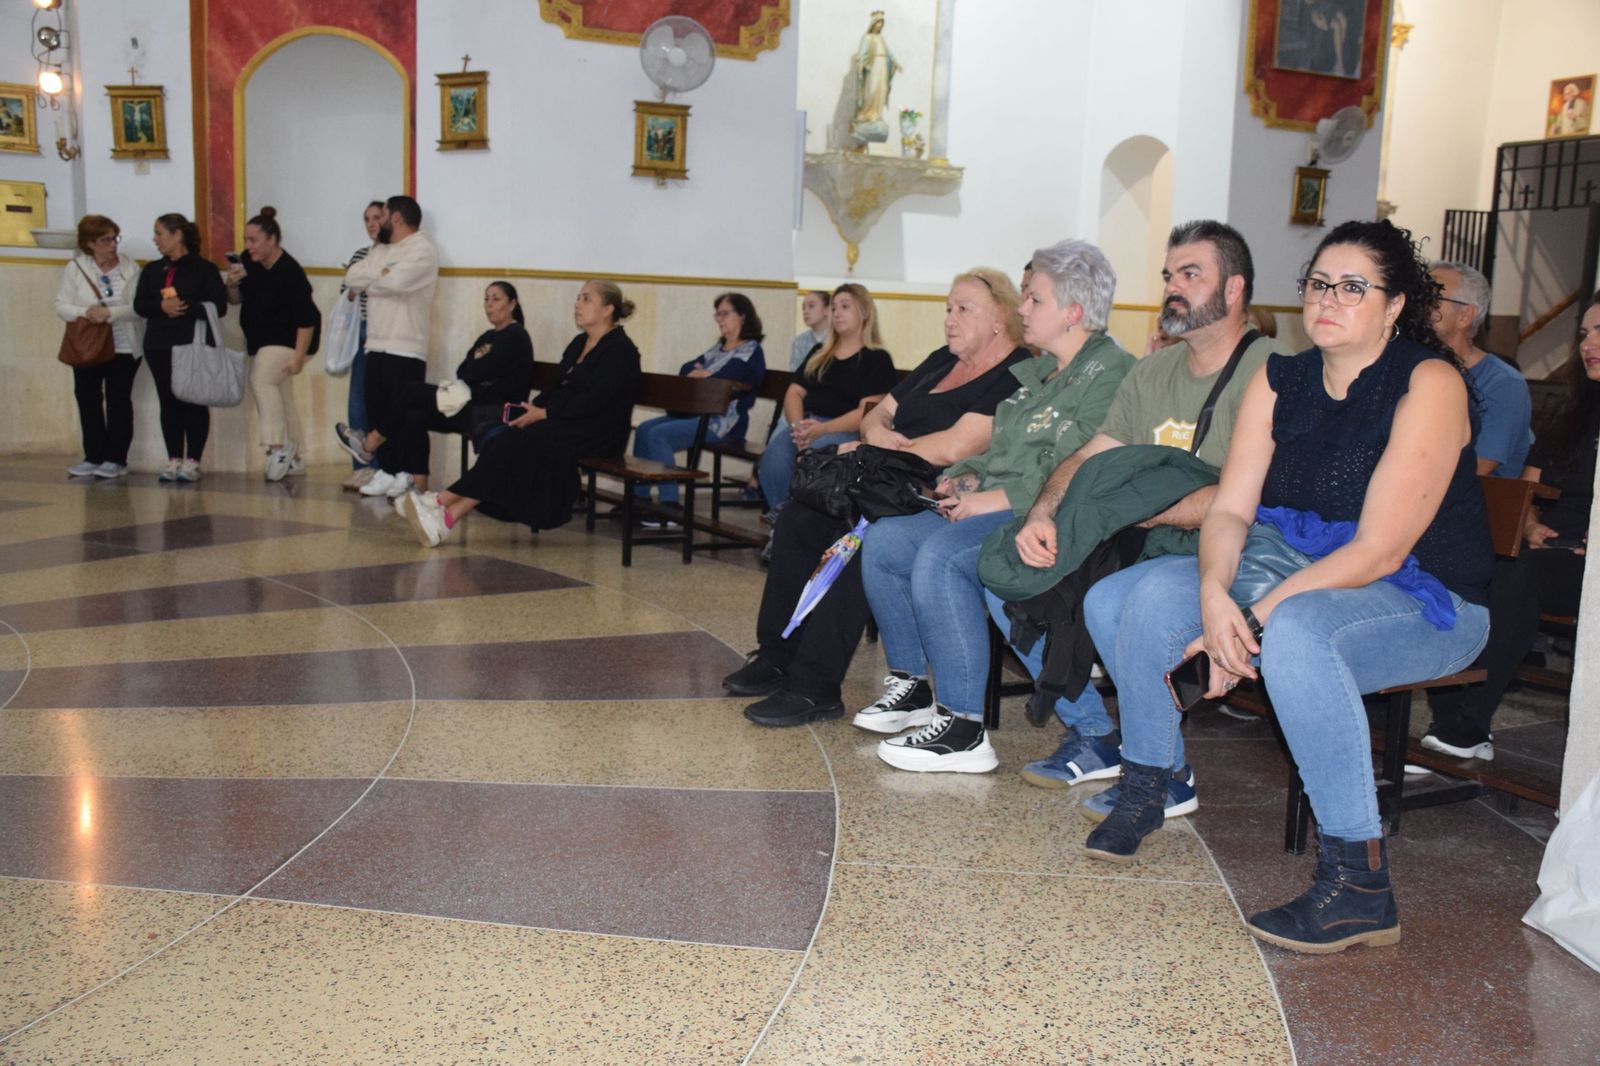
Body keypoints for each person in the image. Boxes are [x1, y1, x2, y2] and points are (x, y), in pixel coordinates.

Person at [1082, 219, 1493, 956]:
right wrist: (1215, 594)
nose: (1328, 299)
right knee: (1126, 598)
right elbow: (1233, 508)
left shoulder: (1429, 383)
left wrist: (1254, 618)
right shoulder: (1283, 378)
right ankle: (1151, 782)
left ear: (1395, 304)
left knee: (1300, 635)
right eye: (1318, 284)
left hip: (1423, 597)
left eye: (1352, 287)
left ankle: (1360, 886)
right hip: (1295, 570)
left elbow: (1380, 547)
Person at [989, 221, 1286, 800]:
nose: (1173, 287)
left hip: (1239, 547)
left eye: (1191, 274)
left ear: (1233, 290)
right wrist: (1044, 513)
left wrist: (1141, 511)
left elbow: (1257, 497)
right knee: (1010, 573)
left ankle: (1164, 771)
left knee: (1113, 599)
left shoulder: (1273, 370)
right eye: (1169, 275)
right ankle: (1103, 736)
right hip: (1145, 537)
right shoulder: (1152, 371)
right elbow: (1092, 454)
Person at [856, 240, 1134, 773]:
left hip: (1056, 517)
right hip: (1004, 504)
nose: (1021, 309)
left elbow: (1080, 462)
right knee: (889, 541)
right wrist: (964, 478)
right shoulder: (1041, 374)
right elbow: (1002, 450)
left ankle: (965, 728)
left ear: (1072, 312)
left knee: (948, 559)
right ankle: (913, 687)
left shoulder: (1110, 373)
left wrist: (993, 498)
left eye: (1033, 299)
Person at [726, 268, 1031, 728]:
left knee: (860, 538)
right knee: (798, 518)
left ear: (999, 318)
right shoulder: (941, 360)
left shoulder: (1013, 373)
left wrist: (882, 451)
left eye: (963, 309)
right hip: (881, 476)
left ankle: (815, 685)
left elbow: (956, 446)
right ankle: (776, 654)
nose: (950, 319)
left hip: (931, 491)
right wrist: (877, 440)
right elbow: (877, 414)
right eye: (948, 308)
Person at [1422, 291, 1599, 761]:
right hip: (1547, 546)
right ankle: (1448, 718)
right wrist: (1531, 525)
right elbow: (1531, 487)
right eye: (1584, 334)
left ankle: (1472, 722)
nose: (1588, 344)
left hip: (1587, 562)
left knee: (1514, 578)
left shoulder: (1506, 384)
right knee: (1459, 568)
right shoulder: (1574, 414)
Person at [400, 281, 640, 547]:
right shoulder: (580, 342)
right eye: (578, 298)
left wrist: (546, 413)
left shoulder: (621, 351)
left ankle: (439, 501)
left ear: (607, 309)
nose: (577, 304)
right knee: (509, 437)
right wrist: (534, 408)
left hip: (600, 432)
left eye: (586, 299)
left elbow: (596, 400)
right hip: (566, 423)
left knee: (522, 440)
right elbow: (557, 387)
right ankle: (446, 519)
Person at [365, 281, 533, 494]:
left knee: (411, 390)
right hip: (470, 403)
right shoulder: (488, 337)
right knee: (413, 414)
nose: (489, 304)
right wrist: (478, 371)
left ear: (512, 304)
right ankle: (419, 486)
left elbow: (482, 370)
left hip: (493, 411)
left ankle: (373, 440)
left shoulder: (516, 335)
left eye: (496, 299)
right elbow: (463, 370)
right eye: (486, 299)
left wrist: (478, 371)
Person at [757, 284, 897, 512]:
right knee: (773, 460)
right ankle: (780, 520)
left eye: (845, 307)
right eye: (833, 308)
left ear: (864, 312)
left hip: (844, 431)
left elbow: (867, 411)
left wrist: (821, 429)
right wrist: (799, 426)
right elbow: (794, 392)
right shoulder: (820, 354)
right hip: (806, 426)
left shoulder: (876, 359)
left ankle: (796, 524)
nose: (837, 313)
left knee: (816, 459)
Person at [336, 194, 440, 499]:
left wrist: (377, 277)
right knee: (378, 409)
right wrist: (378, 275)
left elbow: (397, 284)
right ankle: (389, 471)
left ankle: (408, 474)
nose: (377, 222)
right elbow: (353, 276)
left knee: (405, 414)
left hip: (406, 345)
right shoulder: (380, 248)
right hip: (376, 343)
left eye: (381, 215)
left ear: (396, 217)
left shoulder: (422, 249)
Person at [631, 292, 766, 516]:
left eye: (725, 313)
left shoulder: (750, 350)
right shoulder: (718, 348)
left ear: (742, 316)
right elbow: (686, 369)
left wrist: (705, 373)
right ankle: (639, 498)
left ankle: (670, 506)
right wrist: (702, 373)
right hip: (697, 415)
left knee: (659, 435)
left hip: (723, 423)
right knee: (645, 429)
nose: (719, 319)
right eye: (717, 314)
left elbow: (728, 378)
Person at [225, 206, 320, 482]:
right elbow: (235, 300)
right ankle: (296, 458)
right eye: (246, 240)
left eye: (254, 240)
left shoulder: (290, 272)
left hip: (289, 339)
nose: (248, 246)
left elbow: (307, 319)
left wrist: (299, 357)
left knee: (262, 380)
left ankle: (278, 448)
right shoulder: (247, 262)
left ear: (272, 240)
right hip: (260, 339)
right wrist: (231, 284)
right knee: (282, 394)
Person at [132, 213, 227, 482]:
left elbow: (218, 307)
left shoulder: (204, 269)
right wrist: (161, 307)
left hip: (191, 344)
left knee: (193, 401)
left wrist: (183, 307)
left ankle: (193, 460)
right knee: (168, 401)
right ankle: (174, 457)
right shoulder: (152, 270)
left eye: (159, 233)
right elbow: (140, 304)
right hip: (159, 344)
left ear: (177, 235)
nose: (155, 239)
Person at [55, 214, 143, 479]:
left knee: (118, 400)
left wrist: (111, 314)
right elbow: (61, 306)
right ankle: (93, 456)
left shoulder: (131, 268)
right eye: (105, 240)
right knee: (88, 399)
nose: (113, 245)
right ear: (90, 243)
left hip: (124, 346)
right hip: (87, 346)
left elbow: (139, 308)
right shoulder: (76, 268)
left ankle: (116, 459)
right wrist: (86, 311)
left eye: (114, 238)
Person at [1429, 260, 1531, 477]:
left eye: (1433, 298)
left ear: (1465, 316)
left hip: (1465, 504)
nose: (1419, 305)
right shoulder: (1409, 367)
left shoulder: (1503, 383)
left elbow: (1478, 468)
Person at [341, 201, 386, 490]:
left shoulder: (395, 254)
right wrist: (357, 285)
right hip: (362, 331)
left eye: (377, 218)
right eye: (366, 219)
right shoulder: (361, 254)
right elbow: (346, 293)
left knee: (380, 402)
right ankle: (361, 466)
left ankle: (382, 467)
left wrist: (369, 281)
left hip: (387, 334)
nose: (371, 224)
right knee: (357, 400)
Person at [789, 291, 830, 372]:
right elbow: (795, 373)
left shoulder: (840, 339)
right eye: (803, 308)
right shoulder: (799, 341)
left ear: (827, 310)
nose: (805, 311)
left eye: (811, 306)